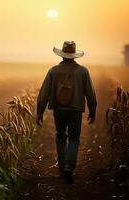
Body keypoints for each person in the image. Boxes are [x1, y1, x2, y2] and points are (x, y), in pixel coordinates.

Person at [36, 41, 97, 184]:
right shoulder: (83, 71)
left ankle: (62, 168)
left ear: (62, 55)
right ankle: (69, 167)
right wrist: (93, 109)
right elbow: (90, 93)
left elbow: (44, 93)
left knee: (60, 136)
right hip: (75, 110)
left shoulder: (53, 71)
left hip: (59, 109)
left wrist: (39, 112)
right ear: (74, 56)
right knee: (74, 138)